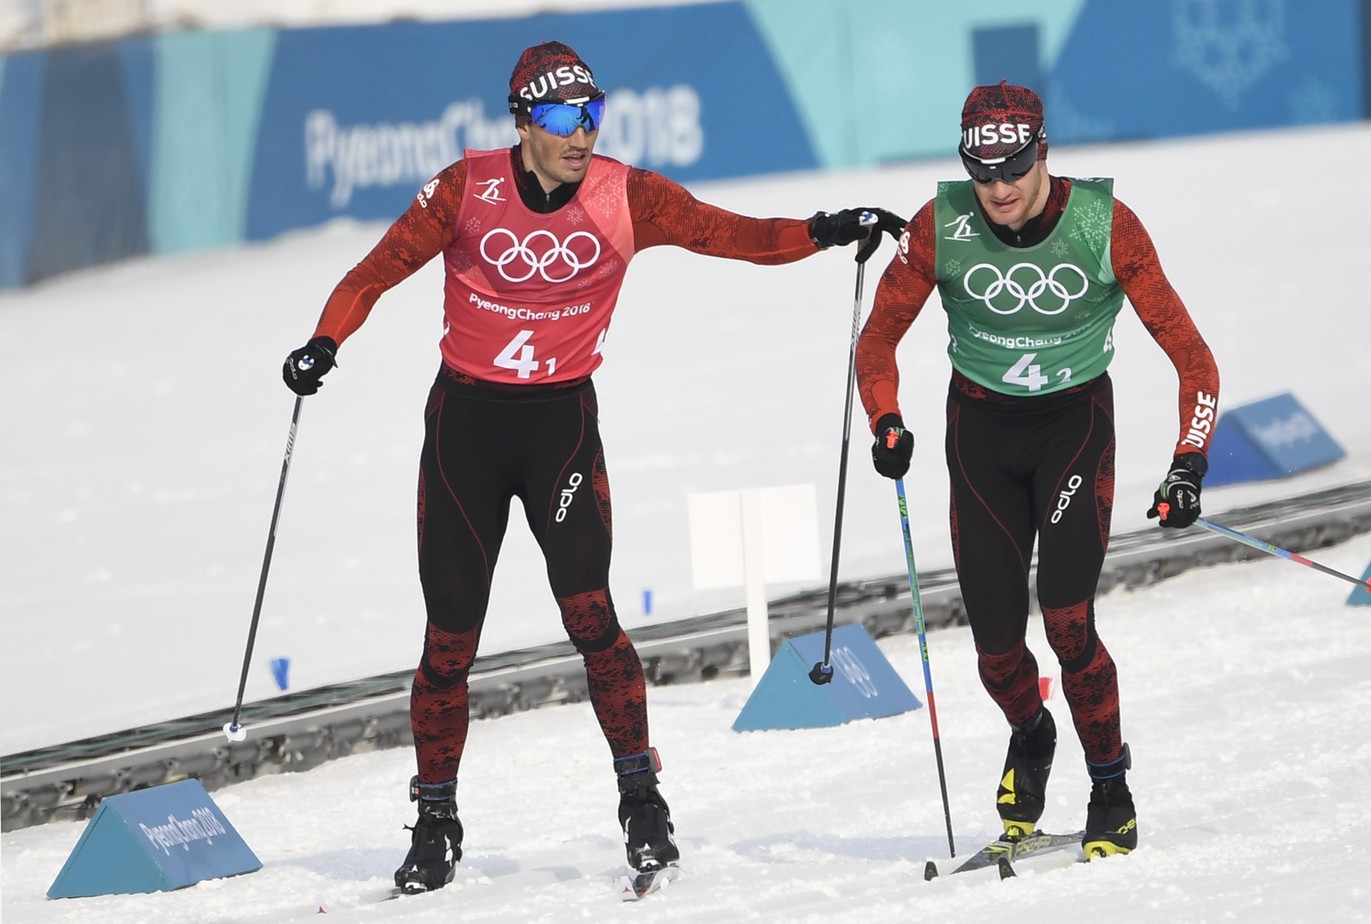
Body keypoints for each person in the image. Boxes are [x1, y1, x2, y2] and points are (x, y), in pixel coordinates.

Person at [281, 40, 904, 894]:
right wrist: (324, 341)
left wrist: (827, 231)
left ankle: (643, 804)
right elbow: (372, 274)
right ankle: (434, 819)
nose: (584, 132)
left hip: (559, 429)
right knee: (449, 639)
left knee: (591, 615)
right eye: (566, 117)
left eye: (593, 113)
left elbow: (737, 237)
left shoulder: (626, 195)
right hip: (464, 427)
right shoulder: (465, 190)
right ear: (524, 122)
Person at [853, 82, 1219, 859]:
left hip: (1072, 429)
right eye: (981, 174)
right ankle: (1031, 730)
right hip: (980, 434)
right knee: (993, 649)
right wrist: (886, 420)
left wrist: (1188, 463)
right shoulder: (939, 226)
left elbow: (1195, 361)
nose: (999, 189)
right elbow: (875, 343)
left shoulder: (1105, 226)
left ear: (1043, 152)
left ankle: (1110, 781)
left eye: (1015, 167)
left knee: (1066, 618)